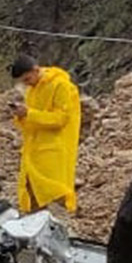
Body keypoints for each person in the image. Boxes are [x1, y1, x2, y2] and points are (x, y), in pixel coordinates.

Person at [10, 54, 81, 215]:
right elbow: (33, 120)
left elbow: (61, 119)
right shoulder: (33, 91)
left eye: (27, 79)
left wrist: (29, 113)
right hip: (34, 153)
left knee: (55, 196)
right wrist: (21, 115)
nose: (26, 84)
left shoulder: (61, 86)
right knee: (32, 198)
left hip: (54, 155)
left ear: (36, 70)